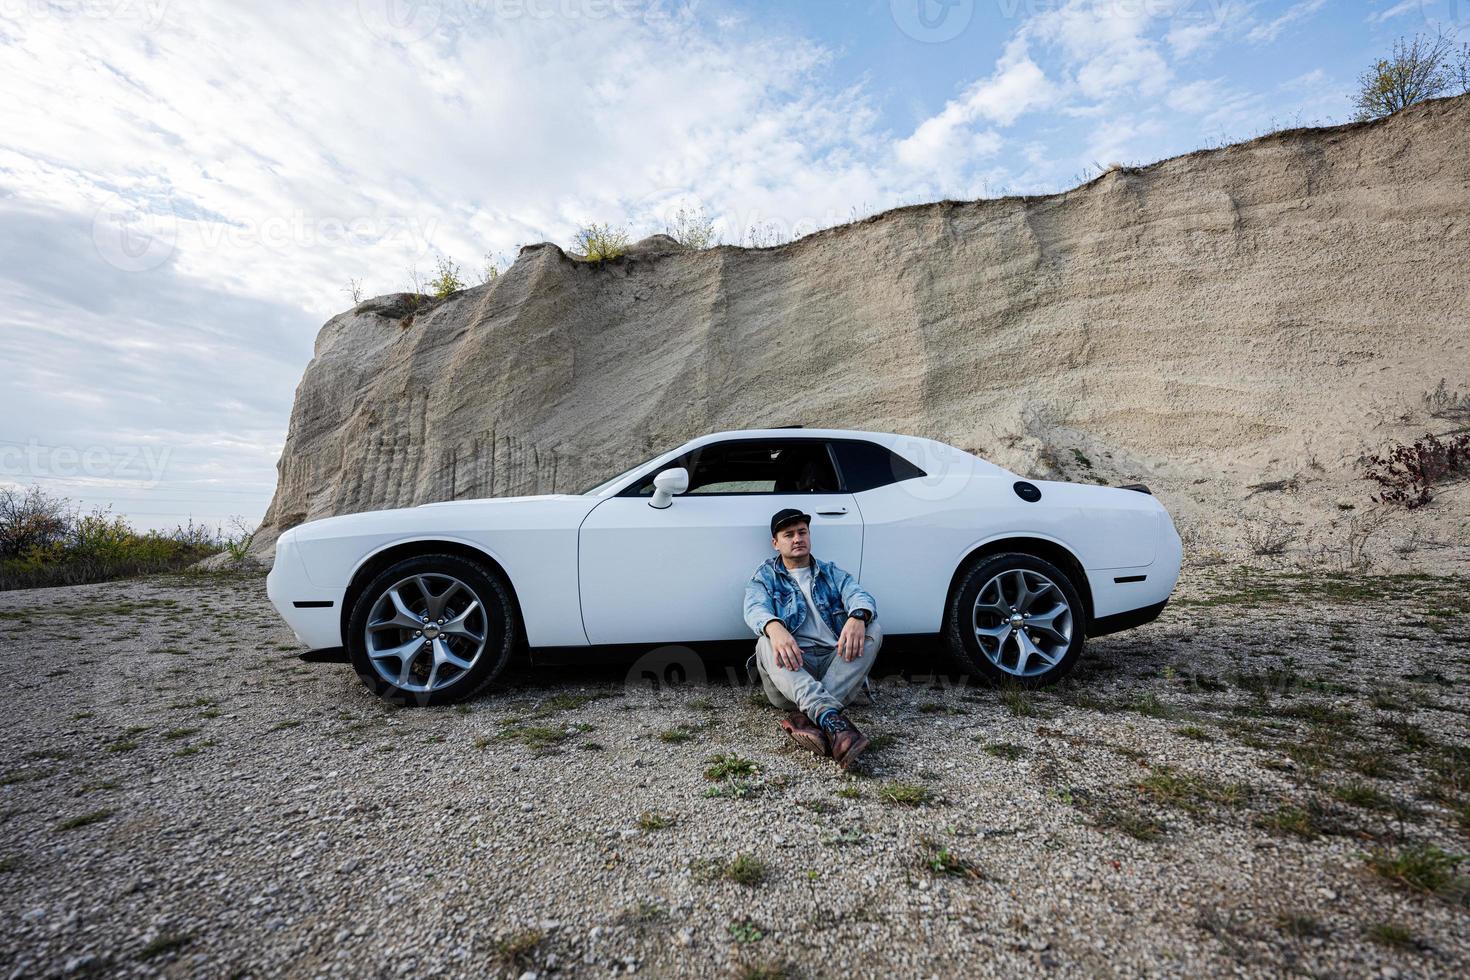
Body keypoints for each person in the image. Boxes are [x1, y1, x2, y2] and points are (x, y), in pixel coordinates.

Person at [744, 508, 882, 769]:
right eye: (788, 535)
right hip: (793, 672)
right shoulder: (765, 577)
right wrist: (775, 627)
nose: (797, 538)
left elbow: (860, 596)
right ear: (776, 543)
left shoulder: (831, 573)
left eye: (802, 532)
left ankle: (812, 719)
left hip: (836, 665)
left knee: (873, 627)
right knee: (765, 641)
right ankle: (830, 717)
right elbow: (754, 609)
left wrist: (857, 617)